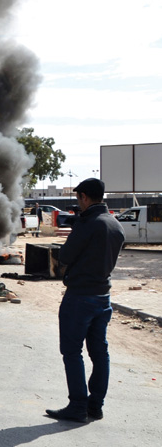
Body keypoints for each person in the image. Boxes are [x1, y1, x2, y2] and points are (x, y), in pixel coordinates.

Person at [46, 178, 125, 423]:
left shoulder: (88, 223)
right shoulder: (115, 224)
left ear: (84, 197)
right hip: (104, 296)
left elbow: (66, 255)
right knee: (99, 352)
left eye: (78, 198)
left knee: (71, 352)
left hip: (80, 297)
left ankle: (78, 405)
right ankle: (95, 406)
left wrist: (77, 228)